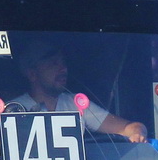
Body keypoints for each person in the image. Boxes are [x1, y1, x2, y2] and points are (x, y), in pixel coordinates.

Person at [10, 40, 147, 143]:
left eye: (63, 63)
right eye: (53, 64)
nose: (63, 69)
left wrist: (137, 133)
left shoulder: (76, 104)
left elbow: (128, 127)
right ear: (32, 74)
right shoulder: (10, 111)